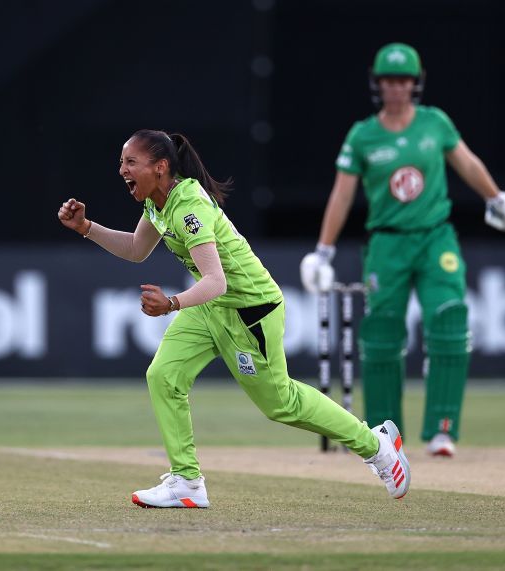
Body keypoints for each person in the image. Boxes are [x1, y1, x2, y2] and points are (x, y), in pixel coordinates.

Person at [57, 129, 411, 508]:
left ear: (160, 167)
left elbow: (216, 280)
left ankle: (378, 447)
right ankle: (187, 482)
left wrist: (173, 303)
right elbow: (135, 249)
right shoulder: (156, 204)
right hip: (212, 307)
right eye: (121, 162)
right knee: (163, 375)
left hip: (250, 311)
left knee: (281, 403)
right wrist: (86, 228)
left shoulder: (188, 206)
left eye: (130, 162)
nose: (122, 170)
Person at [300, 43, 505, 458]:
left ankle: (442, 429)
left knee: (449, 319)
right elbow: (342, 196)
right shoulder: (363, 135)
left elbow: (466, 163)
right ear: (377, 84)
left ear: (415, 84)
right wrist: (323, 251)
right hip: (387, 242)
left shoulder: (434, 123)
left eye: (403, 80)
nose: (396, 88)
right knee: (380, 334)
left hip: (435, 237)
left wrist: (494, 197)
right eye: (388, 81)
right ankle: (384, 436)